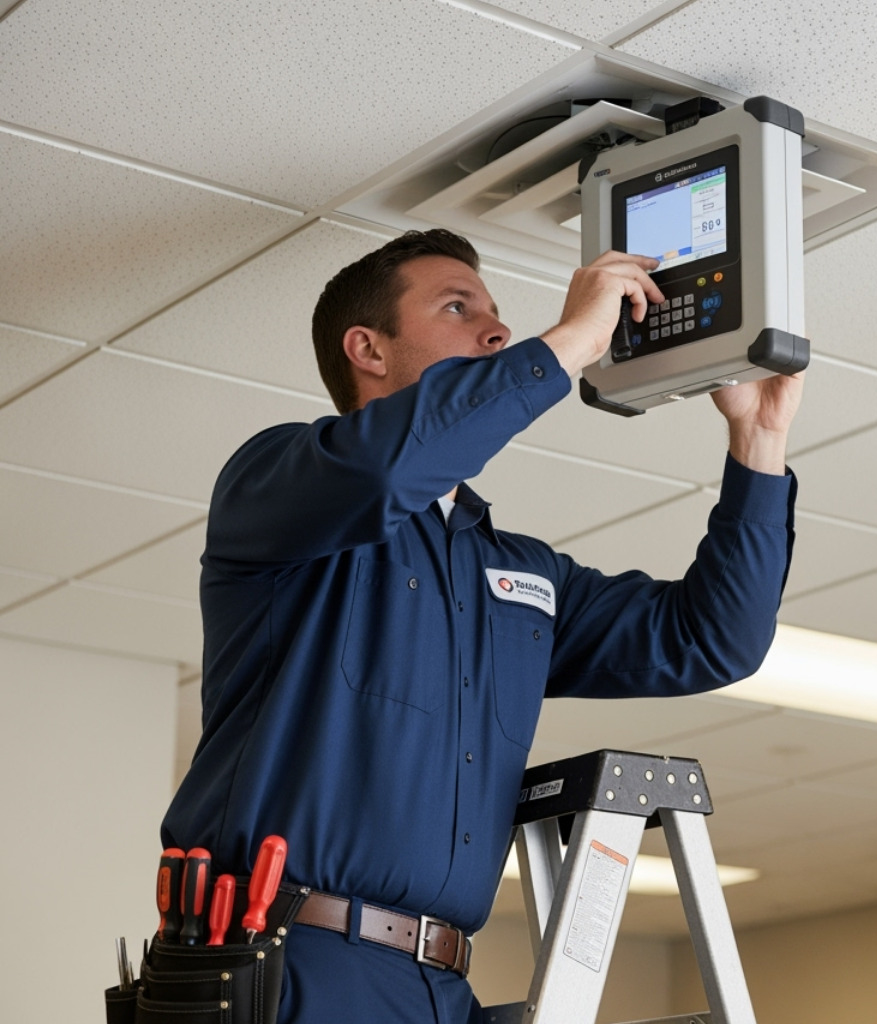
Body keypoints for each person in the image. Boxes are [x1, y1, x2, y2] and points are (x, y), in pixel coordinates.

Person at [160, 228, 802, 1023]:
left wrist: (758, 442)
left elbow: (712, 639)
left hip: (443, 985)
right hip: (296, 967)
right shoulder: (277, 489)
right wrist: (565, 344)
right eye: (457, 308)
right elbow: (383, 469)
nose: (497, 331)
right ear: (368, 348)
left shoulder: (520, 575)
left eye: (497, 315)